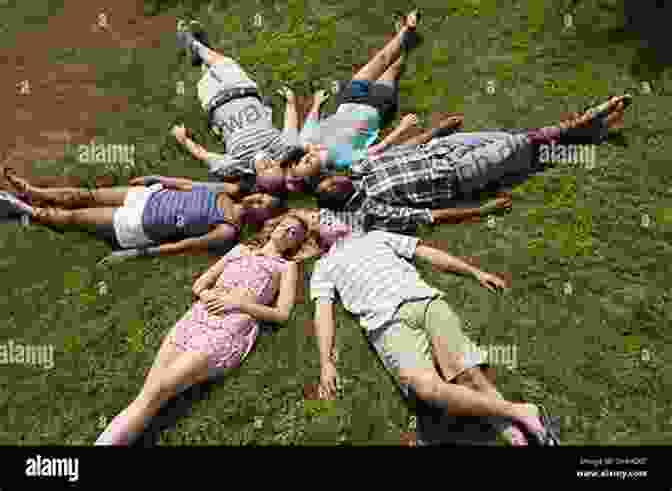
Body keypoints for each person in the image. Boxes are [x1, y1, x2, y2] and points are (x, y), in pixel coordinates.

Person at [309, 229, 560, 446]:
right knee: (427, 389)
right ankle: (520, 412)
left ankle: (513, 433)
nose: (327, 219)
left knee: (469, 375)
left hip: (426, 302)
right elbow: (323, 312)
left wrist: (473, 272)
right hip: (386, 323)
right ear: (316, 240)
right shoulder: (323, 267)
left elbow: (426, 252)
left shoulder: (375, 236)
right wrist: (326, 362)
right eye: (319, 219)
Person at [94, 213, 320, 445]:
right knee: (149, 393)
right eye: (285, 226)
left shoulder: (286, 267)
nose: (286, 232)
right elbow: (200, 284)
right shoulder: (240, 250)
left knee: (158, 390)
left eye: (294, 233)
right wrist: (206, 295)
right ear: (274, 227)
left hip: (231, 326)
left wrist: (239, 304)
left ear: (296, 244)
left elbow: (281, 314)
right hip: (197, 317)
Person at [315, 95, 632, 231]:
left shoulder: (357, 170)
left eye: (328, 178)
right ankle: (594, 116)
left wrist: (436, 131)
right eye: (331, 186)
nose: (334, 178)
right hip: (460, 175)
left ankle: (597, 131)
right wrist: (483, 210)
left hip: (444, 148)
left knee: (522, 144)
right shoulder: (371, 209)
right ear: (339, 200)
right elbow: (429, 217)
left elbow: (400, 152)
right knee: (522, 143)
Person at [0, 168, 285, 262]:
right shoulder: (225, 191)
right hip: (149, 196)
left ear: (260, 218)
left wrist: (135, 254)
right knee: (86, 194)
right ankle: (32, 191)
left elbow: (184, 246)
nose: (257, 199)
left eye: (262, 204)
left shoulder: (228, 229)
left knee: (77, 219)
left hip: (139, 224)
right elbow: (188, 185)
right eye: (260, 195)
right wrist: (157, 177)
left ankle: (26, 210)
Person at [283, 10, 429, 179]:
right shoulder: (341, 159)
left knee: (382, 59)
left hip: (350, 98)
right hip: (376, 107)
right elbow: (378, 149)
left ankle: (407, 30)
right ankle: (404, 41)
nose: (307, 158)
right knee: (393, 69)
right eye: (309, 163)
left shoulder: (309, 144)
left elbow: (310, 126)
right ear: (320, 170)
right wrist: (402, 128)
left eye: (302, 161)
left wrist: (316, 104)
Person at [176, 22, 301, 190]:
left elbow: (205, 156)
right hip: (243, 89)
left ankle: (200, 51)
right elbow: (291, 126)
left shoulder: (237, 166)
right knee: (224, 63)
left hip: (215, 101)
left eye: (264, 168)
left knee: (207, 73)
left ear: (256, 177)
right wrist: (291, 103)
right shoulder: (283, 148)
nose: (267, 163)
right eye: (273, 165)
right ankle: (195, 44)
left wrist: (184, 140)